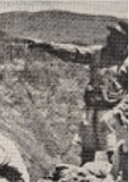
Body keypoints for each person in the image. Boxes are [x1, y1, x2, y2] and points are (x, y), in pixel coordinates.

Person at [29, 21, 129, 165]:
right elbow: (74, 52)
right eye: (110, 35)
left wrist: (121, 110)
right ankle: (85, 177)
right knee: (87, 149)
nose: (109, 38)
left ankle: (116, 181)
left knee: (113, 150)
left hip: (112, 112)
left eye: (114, 36)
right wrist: (47, 46)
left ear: (123, 40)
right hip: (92, 109)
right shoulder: (98, 53)